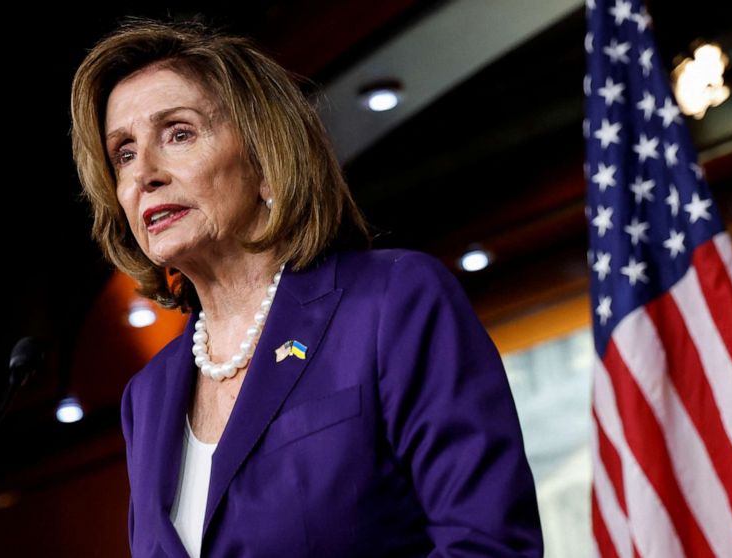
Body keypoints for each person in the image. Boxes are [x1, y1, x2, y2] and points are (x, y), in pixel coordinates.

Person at [70, 16, 543, 558]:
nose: (143, 173)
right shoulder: (146, 398)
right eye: (123, 153)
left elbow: (487, 543)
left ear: (266, 162)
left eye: (178, 133)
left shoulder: (393, 301)